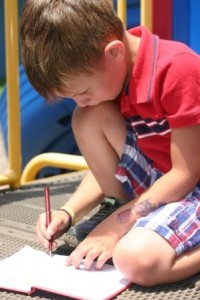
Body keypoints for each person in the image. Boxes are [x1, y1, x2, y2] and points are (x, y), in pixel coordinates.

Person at [20, 0, 200, 287]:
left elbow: (185, 173)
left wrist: (118, 224)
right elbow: (119, 167)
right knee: (87, 117)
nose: (81, 101)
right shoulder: (113, 75)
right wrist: (69, 212)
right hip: (161, 180)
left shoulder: (177, 69)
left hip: (191, 183)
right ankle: (130, 217)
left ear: (114, 52)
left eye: (83, 91)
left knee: (135, 261)